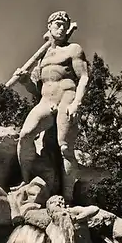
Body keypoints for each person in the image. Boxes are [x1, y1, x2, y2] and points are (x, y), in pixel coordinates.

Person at [13, 11, 89, 203]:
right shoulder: (43, 57)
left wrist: (77, 103)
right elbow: (36, 90)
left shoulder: (73, 49)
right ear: (49, 27)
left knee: (65, 147)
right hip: (46, 101)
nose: (62, 28)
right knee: (25, 135)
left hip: (67, 97)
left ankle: (68, 196)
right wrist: (24, 81)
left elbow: (84, 77)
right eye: (58, 24)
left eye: (65, 25)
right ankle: (26, 180)